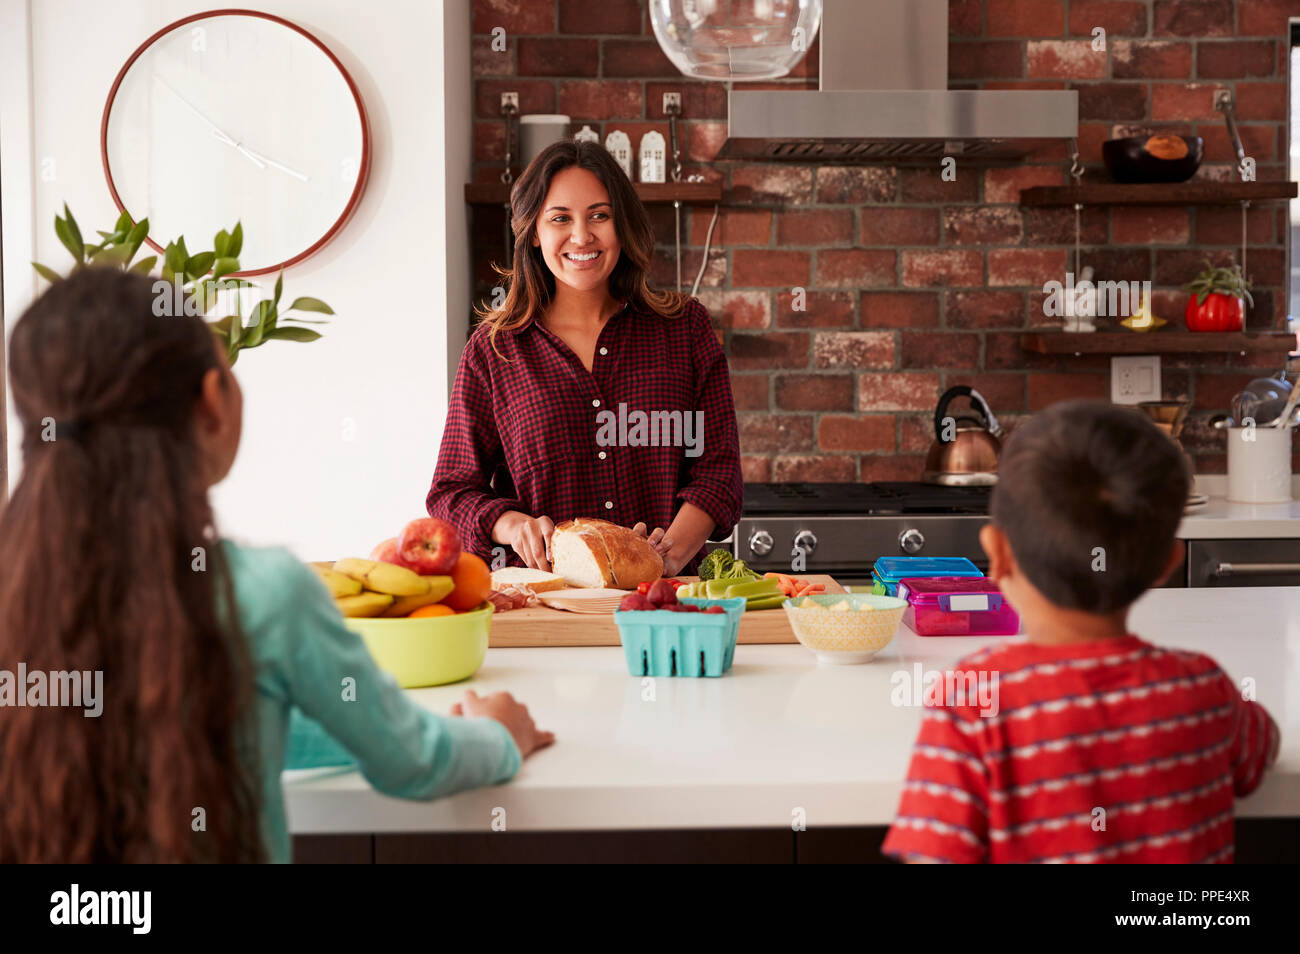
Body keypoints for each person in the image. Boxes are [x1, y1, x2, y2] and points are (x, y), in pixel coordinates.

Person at [0, 268, 552, 863]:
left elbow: (231, 719)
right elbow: (413, 762)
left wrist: (346, 717)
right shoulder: (263, 594)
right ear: (212, 403)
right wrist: (499, 736)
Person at [883, 400, 1279, 864]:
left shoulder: (973, 701)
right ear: (1167, 565)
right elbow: (1262, 751)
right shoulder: (1203, 687)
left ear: (998, 555)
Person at [428, 140, 743, 577]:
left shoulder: (684, 329)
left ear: (622, 225)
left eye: (600, 215)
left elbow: (719, 472)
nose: (582, 236)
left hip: (666, 602)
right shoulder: (493, 351)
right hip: (545, 605)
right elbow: (451, 492)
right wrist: (510, 525)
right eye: (560, 218)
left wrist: (665, 556)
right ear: (534, 233)